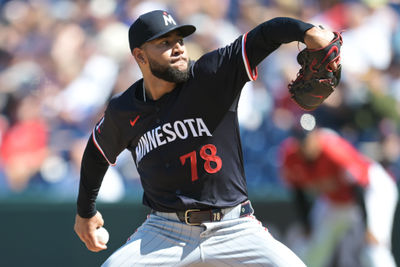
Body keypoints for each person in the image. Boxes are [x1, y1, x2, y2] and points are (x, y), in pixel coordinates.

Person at [74, 9, 339, 266]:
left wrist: (306, 31)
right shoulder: (125, 109)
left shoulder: (211, 75)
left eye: (180, 40)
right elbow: (97, 152)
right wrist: (85, 212)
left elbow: (264, 35)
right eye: (165, 43)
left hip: (234, 226)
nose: (178, 48)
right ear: (140, 55)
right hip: (165, 230)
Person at [280, 127, 398, 267]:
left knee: (373, 248)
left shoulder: (333, 149)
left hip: (373, 190)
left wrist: (367, 226)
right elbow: (297, 192)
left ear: (317, 136)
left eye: (309, 139)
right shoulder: (291, 155)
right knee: (313, 249)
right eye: (302, 141)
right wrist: (307, 225)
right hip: (336, 199)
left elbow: (358, 186)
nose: (306, 144)